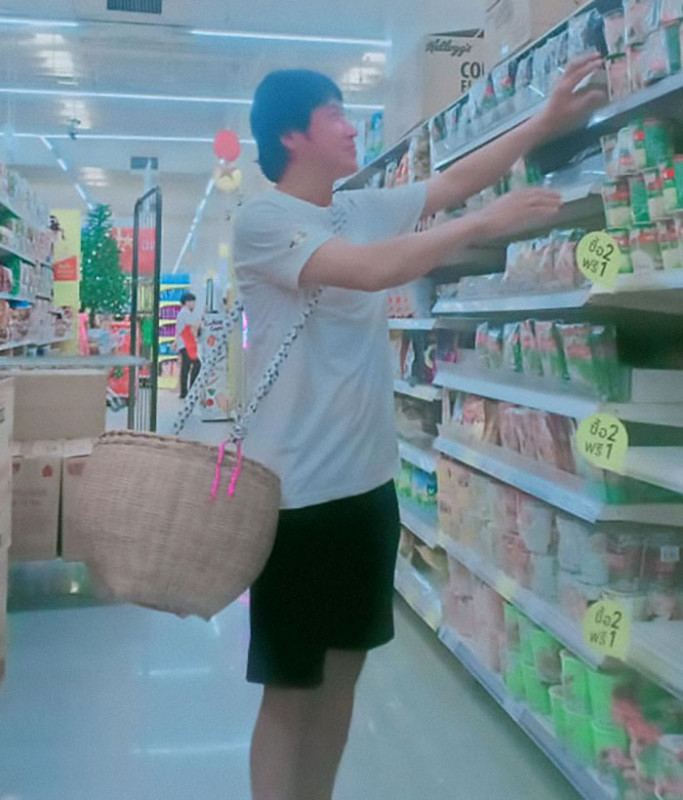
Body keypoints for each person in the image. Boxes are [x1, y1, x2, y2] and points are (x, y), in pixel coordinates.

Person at [234, 56, 605, 800]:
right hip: (292, 498)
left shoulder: (354, 207)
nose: (350, 127)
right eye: (334, 115)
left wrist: (544, 121)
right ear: (292, 136)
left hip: (367, 490)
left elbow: (452, 181)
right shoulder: (265, 220)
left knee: (344, 674)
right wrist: (486, 223)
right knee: (291, 686)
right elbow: (370, 270)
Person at [175, 291, 201, 399]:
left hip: (184, 344)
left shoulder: (183, 313)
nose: (194, 304)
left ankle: (185, 391)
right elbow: (195, 324)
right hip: (186, 344)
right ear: (187, 302)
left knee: (185, 368)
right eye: (193, 302)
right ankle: (190, 390)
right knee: (196, 364)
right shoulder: (185, 313)